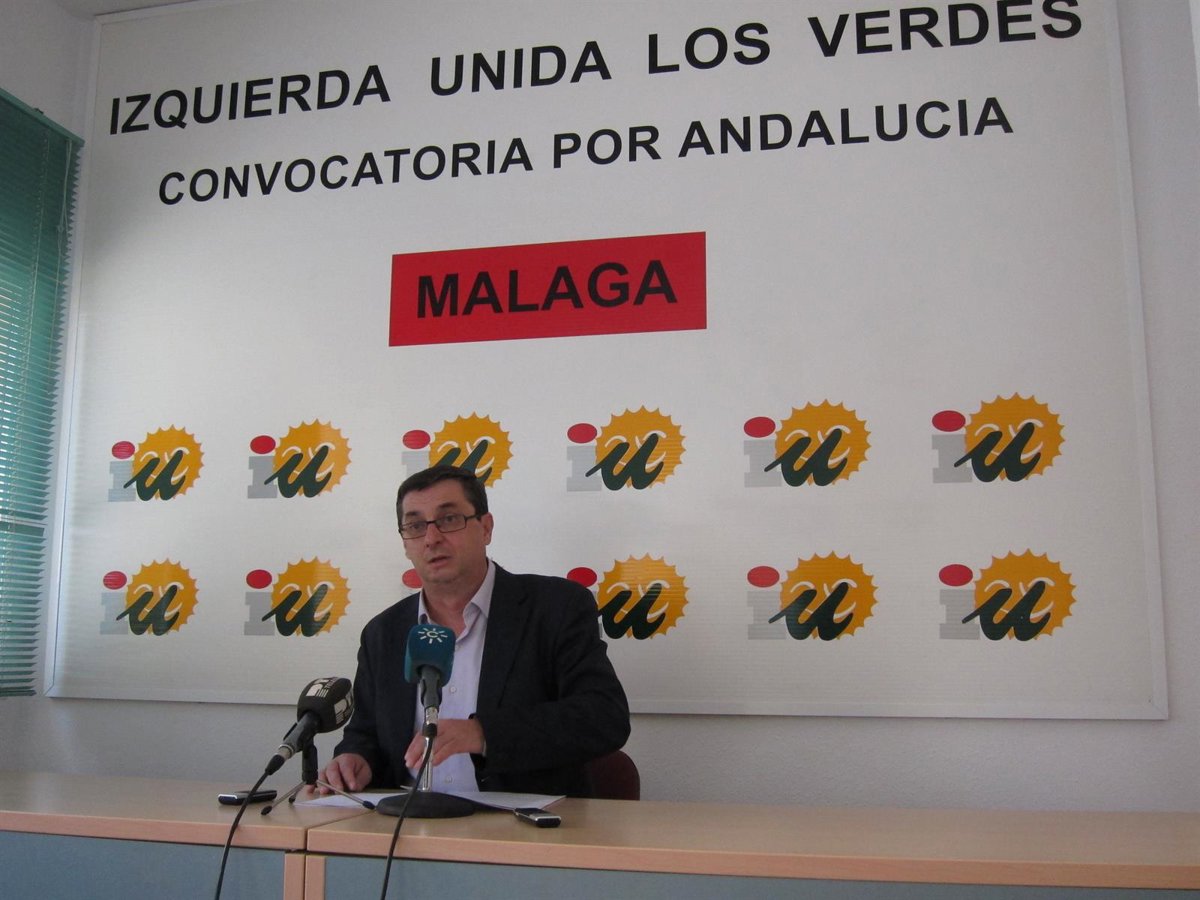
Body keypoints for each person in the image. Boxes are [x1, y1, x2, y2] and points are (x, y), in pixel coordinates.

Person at [318, 464, 630, 797]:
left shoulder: (555, 608)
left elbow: (603, 718)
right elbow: (365, 734)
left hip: (519, 822)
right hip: (407, 820)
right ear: (405, 543)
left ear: (486, 528)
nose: (432, 538)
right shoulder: (384, 633)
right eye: (415, 526)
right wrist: (356, 759)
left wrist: (483, 734)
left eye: (449, 519)